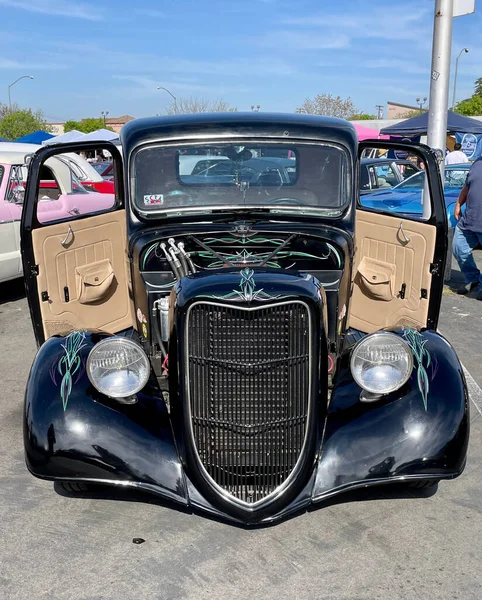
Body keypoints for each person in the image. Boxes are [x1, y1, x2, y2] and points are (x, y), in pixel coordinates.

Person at [452, 157, 482, 299]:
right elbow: (467, 186)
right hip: (469, 220)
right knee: (459, 247)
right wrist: (458, 204)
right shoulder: (477, 163)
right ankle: (473, 278)